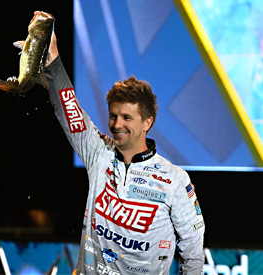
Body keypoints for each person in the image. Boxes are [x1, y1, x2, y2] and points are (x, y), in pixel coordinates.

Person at [44, 21, 205, 275]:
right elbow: (70, 111)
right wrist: (53, 59)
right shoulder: (99, 154)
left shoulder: (175, 180)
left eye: (127, 118)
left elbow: (193, 252)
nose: (117, 124)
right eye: (113, 116)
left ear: (147, 123)